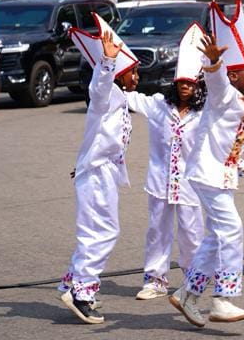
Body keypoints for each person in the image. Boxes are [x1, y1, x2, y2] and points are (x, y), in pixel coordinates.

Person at [171, 0, 244, 327]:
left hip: (223, 175)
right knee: (231, 228)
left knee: (216, 236)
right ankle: (223, 298)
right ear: (235, 75)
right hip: (206, 173)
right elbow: (217, 83)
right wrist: (215, 64)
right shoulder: (225, 95)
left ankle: (189, 294)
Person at [58, 17, 141, 324]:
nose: (137, 77)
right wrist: (106, 61)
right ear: (120, 74)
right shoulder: (105, 98)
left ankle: (72, 285)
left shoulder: (120, 100)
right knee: (102, 232)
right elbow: (99, 88)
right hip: (96, 174)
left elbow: (98, 139)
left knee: (96, 232)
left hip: (100, 172)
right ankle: (82, 295)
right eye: (133, 72)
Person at [128, 23, 207, 301]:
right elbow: (129, 99)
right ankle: (155, 280)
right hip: (159, 182)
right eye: (181, 83)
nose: (185, 88)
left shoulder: (203, 115)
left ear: (197, 86)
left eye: (190, 84)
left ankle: (192, 279)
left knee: (191, 233)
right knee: (157, 232)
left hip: (189, 185)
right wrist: (110, 75)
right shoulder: (159, 105)